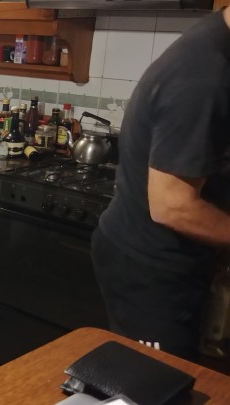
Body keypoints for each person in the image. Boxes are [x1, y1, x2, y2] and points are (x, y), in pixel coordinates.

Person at [92, 7, 230, 360]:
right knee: (153, 382)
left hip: (167, 262)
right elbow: (172, 206)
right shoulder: (205, 74)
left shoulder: (216, 44)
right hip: (150, 270)